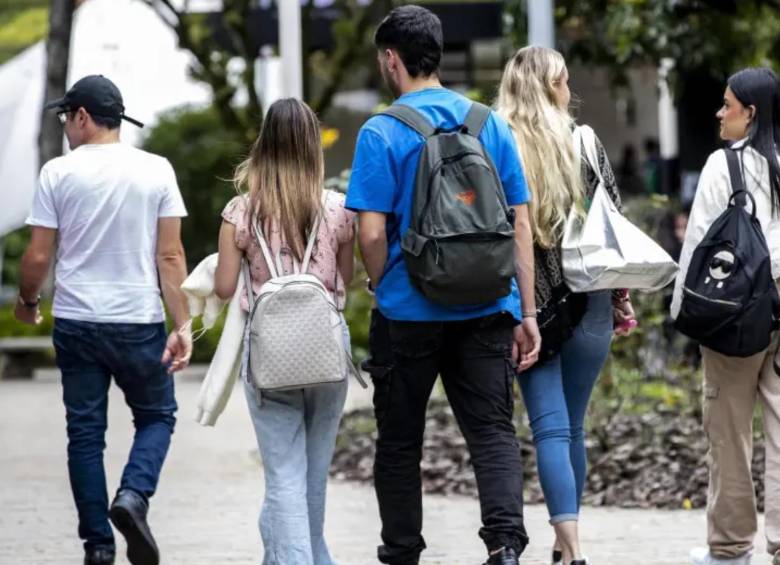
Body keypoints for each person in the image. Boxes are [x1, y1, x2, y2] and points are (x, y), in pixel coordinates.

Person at [347, 6, 540, 565]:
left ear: (391, 59)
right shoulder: (488, 124)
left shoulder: (382, 131)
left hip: (409, 311)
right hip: (486, 304)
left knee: (401, 439)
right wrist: (525, 312)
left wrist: (384, 283)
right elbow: (519, 224)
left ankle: (403, 550)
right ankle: (505, 546)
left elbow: (372, 230)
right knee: (492, 433)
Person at [14, 75, 192, 565]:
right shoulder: (156, 170)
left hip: (77, 322)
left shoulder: (58, 173)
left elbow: (37, 256)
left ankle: (98, 546)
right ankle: (133, 496)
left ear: (83, 117)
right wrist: (181, 327)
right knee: (157, 415)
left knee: (86, 435)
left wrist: (28, 301)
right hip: (138, 320)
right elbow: (171, 257)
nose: (65, 127)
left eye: (65, 117)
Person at [496, 46, 634, 565]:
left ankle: (570, 548)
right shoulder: (585, 141)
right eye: (563, 83)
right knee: (572, 427)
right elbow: (612, 222)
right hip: (591, 303)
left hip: (527, 305)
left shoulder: (496, 141)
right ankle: (567, 545)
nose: (569, 92)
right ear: (546, 88)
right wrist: (620, 300)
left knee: (550, 428)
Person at [213, 97, 356, 565]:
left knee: (283, 477)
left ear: (264, 145)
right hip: (326, 351)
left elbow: (223, 287)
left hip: (270, 353)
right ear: (313, 146)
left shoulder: (241, 211)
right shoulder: (337, 209)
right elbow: (346, 281)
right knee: (312, 475)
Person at [671, 67, 780, 565]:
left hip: (735, 319)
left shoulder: (722, 166)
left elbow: (698, 248)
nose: (719, 113)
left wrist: (683, 314)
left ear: (750, 113)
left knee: (729, 433)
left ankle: (733, 547)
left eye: (727, 105)